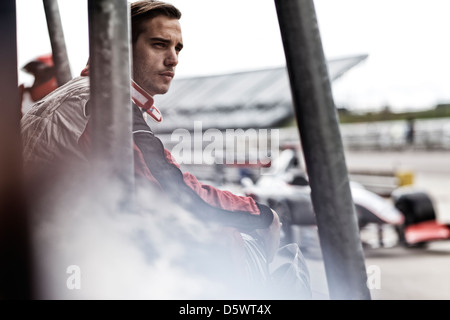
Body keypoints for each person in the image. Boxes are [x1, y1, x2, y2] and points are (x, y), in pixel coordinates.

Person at [20, 1, 290, 297]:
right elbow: (175, 191)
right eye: (160, 45)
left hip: (47, 250)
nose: (173, 59)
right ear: (120, 48)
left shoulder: (77, 93)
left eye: (178, 48)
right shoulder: (105, 102)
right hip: (71, 267)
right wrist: (261, 216)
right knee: (223, 239)